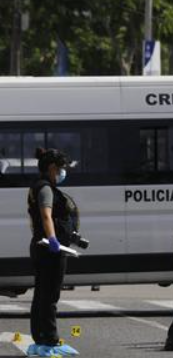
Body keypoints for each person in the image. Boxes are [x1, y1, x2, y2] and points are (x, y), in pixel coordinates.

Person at [26, 148, 79, 357]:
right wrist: (54, 240)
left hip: (41, 246)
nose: (63, 172)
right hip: (49, 248)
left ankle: (40, 338)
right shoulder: (46, 189)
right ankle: (51, 340)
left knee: (41, 294)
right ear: (52, 168)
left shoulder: (38, 186)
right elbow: (46, 216)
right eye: (61, 169)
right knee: (50, 296)